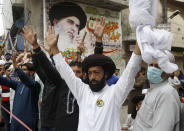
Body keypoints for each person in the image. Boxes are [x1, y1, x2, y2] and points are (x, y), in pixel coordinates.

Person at [45, 24, 142, 131]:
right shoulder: (82, 91)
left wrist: (141, 38)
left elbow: (131, 69)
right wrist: (54, 47)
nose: (92, 77)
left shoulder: (115, 93)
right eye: (90, 73)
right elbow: (64, 70)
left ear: (105, 74)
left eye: (96, 72)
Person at [21, 16, 106, 131]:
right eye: (72, 72)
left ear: (84, 75)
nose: (75, 75)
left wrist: (99, 41)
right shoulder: (61, 83)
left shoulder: (86, 87)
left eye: (78, 72)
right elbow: (48, 68)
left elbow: (97, 64)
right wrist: (36, 47)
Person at [133, 61, 181, 131]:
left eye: (157, 66)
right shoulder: (154, 89)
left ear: (168, 71)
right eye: (151, 65)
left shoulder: (166, 94)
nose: (152, 69)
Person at [0, 55, 41, 131]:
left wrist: (17, 68)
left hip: (27, 122)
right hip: (16, 121)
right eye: (21, 69)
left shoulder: (35, 86)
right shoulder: (18, 84)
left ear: (32, 72)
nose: (22, 72)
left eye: (24, 70)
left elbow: (27, 80)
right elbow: (4, 81)